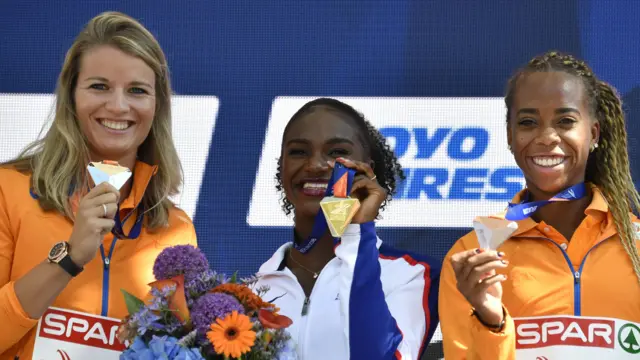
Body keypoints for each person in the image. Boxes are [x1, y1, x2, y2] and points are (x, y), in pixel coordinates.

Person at [0, 12, 197, 359]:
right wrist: (69, 259)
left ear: (157, 106)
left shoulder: (175, 228)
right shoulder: (9, 192)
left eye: (137, 90)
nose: (118, 106)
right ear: (72, 97)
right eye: (99, 86)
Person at [439, 51, 640, 359]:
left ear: (594, 133)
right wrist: (491, 322)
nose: (547, 137)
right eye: (528, 122)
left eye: (566, 121)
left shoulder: (636, 245)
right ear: (510, 136)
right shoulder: (474, 257)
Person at [255, 98, 440, 360]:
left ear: (367, 171)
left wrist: (357, 234)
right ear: (281, 166)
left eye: (336, 153)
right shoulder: (251, 291)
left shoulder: (413, 275)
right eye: (298, 151)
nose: (315, 165)